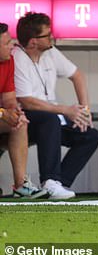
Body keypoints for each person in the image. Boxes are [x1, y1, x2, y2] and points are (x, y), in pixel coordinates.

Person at [14, 12, 98, 200]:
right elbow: (27, 101)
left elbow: (77, 75)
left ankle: (59, 183)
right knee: (50, 118)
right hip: (27, 117)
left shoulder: (51, 52)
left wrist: (85, 111)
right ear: (33, 42)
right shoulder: (17, 58)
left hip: (51, 115)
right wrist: (65, 110)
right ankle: (50, 180)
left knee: (90, 135)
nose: (52, 37)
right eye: (47, 35)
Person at [0, 22, 48, 199]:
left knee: (20, 123)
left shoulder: (8, 60)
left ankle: (21, 186)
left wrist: (14, 113)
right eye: (6, 43)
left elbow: (9, 99)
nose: (12, 46)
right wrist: (3, 113)